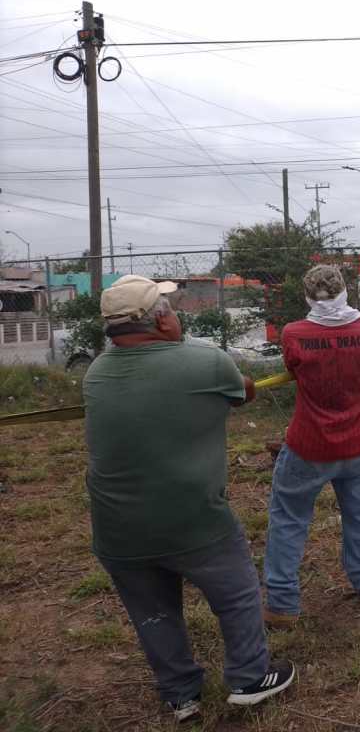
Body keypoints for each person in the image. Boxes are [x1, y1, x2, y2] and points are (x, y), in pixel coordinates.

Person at [83, 274, 293, 723]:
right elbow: (241, 394)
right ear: (160, 320)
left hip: (117, 528)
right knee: (236, 593)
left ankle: (180, 693)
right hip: (194, 520)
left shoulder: (96, 373)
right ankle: (249, 679)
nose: (176, 315)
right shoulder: (205, 362)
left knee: (153, 611)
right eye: (171, 308)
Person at [263, 265, 360, 626]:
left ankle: (281, 605)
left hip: (308, 446)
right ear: (344, 291)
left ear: (308, 296)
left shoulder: (294, 333)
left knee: (288, 520)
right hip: (358, 445)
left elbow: (292, 368)